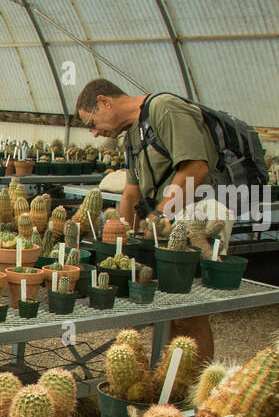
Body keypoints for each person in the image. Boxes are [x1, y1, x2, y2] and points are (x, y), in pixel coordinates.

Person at [75, 78, 223, 363]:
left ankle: (195, 390)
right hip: (165, 223)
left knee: (189, 313)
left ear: (105, 101)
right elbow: (131, 193)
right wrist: (119, 239)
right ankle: (168, 381)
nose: (93, 133)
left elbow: (196, 166)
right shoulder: (132, 136)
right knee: (165, 309)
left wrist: (160, 213)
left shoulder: (165, 109)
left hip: (198, 217)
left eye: (91, 123)